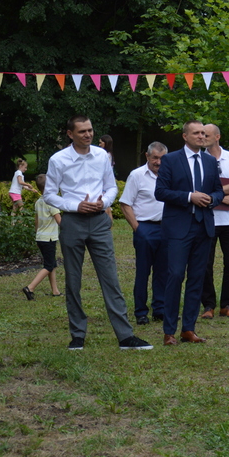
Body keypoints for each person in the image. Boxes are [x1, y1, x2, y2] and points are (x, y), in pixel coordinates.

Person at [43, 115, 152, 351]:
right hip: (72, 221)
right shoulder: (58, 160)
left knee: (111, 279)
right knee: (73, 280)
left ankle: (125, 336)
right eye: (82, 131)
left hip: (100, 221)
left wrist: (104, 202)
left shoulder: (102, 155)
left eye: (90, 130)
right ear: (70, 134)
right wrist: (74, 205)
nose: (88, 134)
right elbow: (49, 194)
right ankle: (77, 335)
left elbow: (111, 186)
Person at [155, 121, 224, 345]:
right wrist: (189, 197)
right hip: (178, 227)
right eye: (196, 133)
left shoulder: (210, 161)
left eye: (204, 133)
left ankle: (188, 329)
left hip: (203, 226)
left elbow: (219, 191)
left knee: (197, 278)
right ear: (185, 136)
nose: (201, 136)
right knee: (175, 275)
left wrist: (212, 199)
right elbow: (161, 192)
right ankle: (169, 331)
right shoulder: (171, 159)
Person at [119, 142, 168, 326]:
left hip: (166, 228)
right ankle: (141, 312)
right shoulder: (137, 175)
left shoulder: (169, 175)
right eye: (155, 158)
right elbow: (125, 203)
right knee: (143, 272)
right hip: (145, 228)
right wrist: (137, 228)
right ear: (147, 157)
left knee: (163, 272)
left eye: (162, 158)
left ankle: (160, 310)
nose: (158, 162)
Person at [199, 124, 229, 319]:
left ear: (217, 136)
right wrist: (221, 195)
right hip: (208, 219)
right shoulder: (200, 158)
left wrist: (213, 193)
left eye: (206, 135)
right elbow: (197, 188)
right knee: (205, 264)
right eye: (200, 134)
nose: (202, 138)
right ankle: (208, 305)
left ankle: (226, 304)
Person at [22, 174, 62, 300]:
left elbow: (36, 220)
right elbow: (60, 221)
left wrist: (37, 233)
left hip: (40, 237)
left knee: (51, 263)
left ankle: (55, 290)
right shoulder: (52, 202)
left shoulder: (39, 201)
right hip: (49, 238)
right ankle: (30, 287)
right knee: (49, 266)